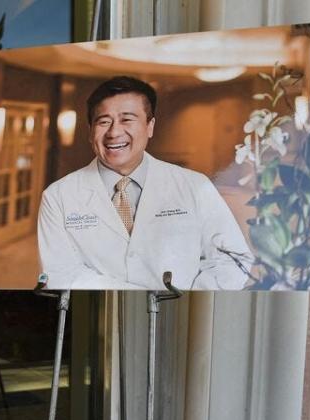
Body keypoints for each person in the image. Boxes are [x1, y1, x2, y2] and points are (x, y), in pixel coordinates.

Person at [37, 75, 252, 290]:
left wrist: (185, 303)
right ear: (90, 130)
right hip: (104, 315)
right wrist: (144, 300)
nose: (114, 132)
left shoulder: (195, 186)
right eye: (103, 121)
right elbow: (59, 274)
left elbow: (233, 259)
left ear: (150, 126)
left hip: (180, 317)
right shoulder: (58, 196)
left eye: (127, 119)